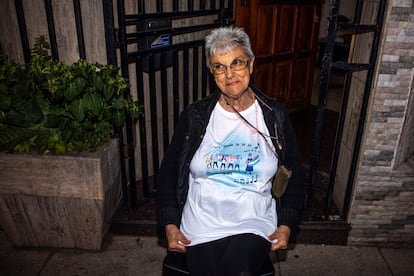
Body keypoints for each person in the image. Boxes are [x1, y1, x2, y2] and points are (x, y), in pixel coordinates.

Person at [156, 26, 304, 275]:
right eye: (219, 66)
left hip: (253, 220)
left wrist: (287, 224)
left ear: (251, 65)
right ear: (211, 72)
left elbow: (295, 172)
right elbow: (169, 172)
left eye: (237, 63)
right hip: (201, 222)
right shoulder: (195, 116)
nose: (229, 74)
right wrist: (170, 223)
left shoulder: (273, 114)